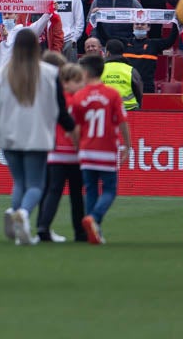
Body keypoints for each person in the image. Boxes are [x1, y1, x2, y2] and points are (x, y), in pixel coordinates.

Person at [0, 30, 78, 246]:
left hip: (8, 134)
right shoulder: (49, 73)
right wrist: (72, 130)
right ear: (37, 47)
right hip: (37, 135)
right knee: (36, 185)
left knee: (19, 182)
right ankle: (22, 213)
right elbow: (60, 108)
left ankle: (17, 215)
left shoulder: (1, 73)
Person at [73, 53, 132, 245]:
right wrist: (128, 145)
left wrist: (78, 146)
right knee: (109, 190)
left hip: (87, 149)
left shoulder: (80, 96)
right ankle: (95, 219)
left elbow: (75, 127)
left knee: (90, 190)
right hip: (107, 148)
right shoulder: (112, 94)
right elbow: (123, 121)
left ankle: (93, 226)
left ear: (87, 72)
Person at [35, 62, 88, 244]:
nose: (81, 84)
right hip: (73, 153)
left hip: (55, 152)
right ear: (65, 82)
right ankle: (79, 232)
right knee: (76, 195)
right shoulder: (77, 101)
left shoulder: (54, 100)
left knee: (54, 191)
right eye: (77, 80)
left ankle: (43, 225)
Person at [101, 39, 143, 111]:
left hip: (106, 110)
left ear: (108, 53)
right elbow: (139, 92)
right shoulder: (131, 70)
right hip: (130, 110)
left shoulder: (99, 70)